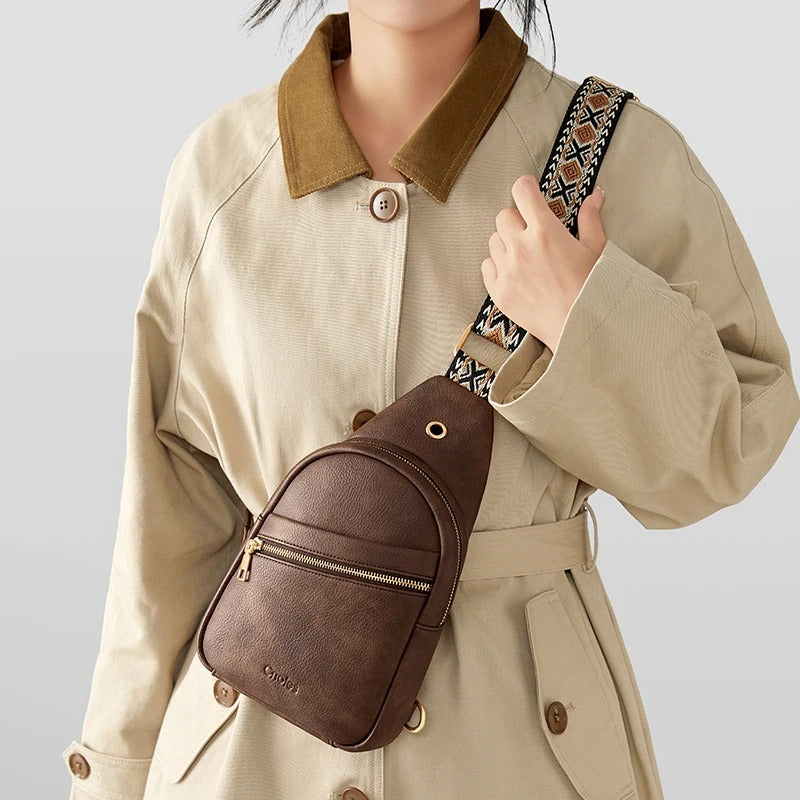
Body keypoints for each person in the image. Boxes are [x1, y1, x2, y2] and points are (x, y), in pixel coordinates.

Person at [62, 2, 800, 799]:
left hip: (517, 751)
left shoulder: (618, 157)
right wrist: (114, 775)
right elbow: (166, 525)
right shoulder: (222, 171)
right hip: (252, 751)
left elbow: (728, 448)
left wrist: (586, 313)